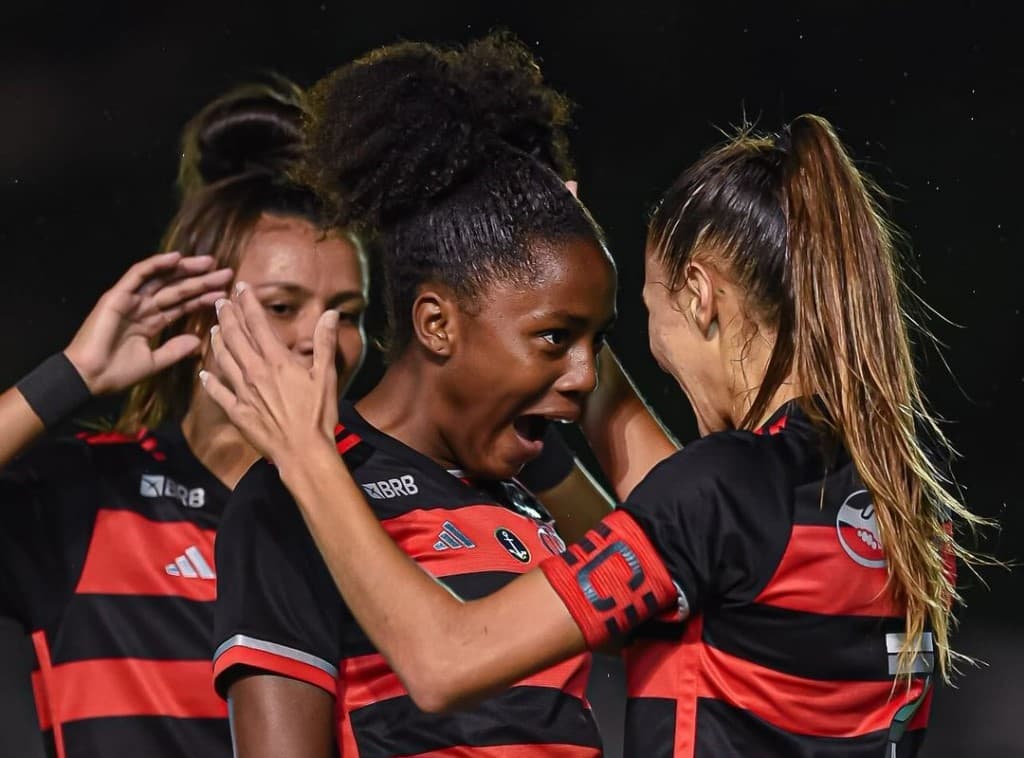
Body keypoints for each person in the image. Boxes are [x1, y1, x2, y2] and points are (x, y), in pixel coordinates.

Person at [207, 113, 982, 757]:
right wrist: (538, 264)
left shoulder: (721, 492)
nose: (597, 366)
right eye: (567, 338)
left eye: (629, 320)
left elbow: (447, 661)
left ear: (700, 297)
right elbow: (687, 518)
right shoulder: (906, 495)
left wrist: (305, 452)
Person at [209, 36, 673, 758]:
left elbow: (664, 590)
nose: (585, 374)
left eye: (598, 340)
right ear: (436, 324)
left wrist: (555, 272)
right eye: (556, 337)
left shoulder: (535, 491)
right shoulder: (298, 498)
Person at [0, 79, 369, 758]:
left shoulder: (390, 499)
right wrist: (71, 376)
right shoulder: (89, 494)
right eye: (283, 305)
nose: (320, 339)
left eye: (347, 313)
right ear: (198, 311)